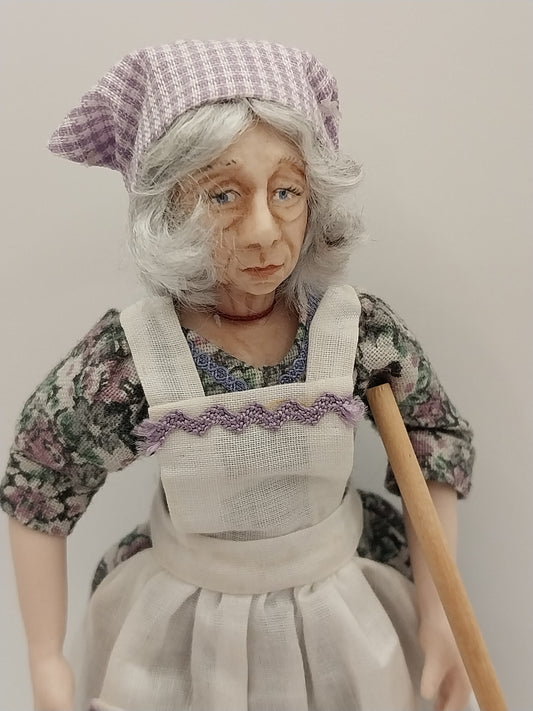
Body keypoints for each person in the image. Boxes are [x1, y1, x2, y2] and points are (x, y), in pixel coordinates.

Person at [1, 40, 475, 711]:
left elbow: (430, 444)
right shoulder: (135, 357)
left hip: (340, 616)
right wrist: (44, 654)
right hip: (186, 628)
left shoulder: (354, 334)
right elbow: (41, 476)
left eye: (286, 192)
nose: (262, 230)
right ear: (170, 209)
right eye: (223, 195)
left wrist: (439, 614)